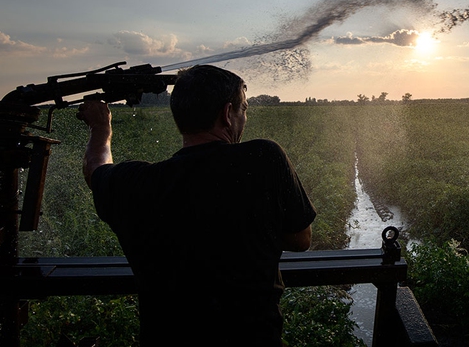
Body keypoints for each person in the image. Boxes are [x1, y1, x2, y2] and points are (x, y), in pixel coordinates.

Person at [77, 65, 316, 346]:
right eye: (244, 109)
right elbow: (301, 239)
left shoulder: (136, 184)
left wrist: (100, 126)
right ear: (227, 114)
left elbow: (94, 169)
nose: (245, 118)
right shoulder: (264, 157)